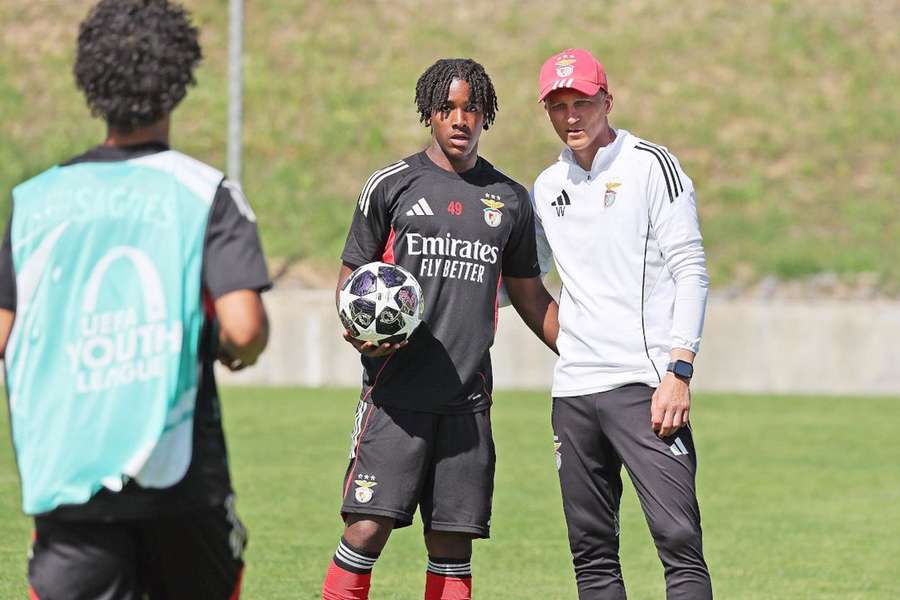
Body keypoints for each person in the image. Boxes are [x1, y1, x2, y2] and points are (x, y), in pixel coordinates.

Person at [0, 1, 271, 598]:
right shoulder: (204, 193)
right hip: (179, 480)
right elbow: (245, 327)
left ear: (90, 82)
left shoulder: (37, 202)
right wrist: (226, 348)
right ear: (179, 83)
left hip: (69, 473)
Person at [322, 58, 558, 600]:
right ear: (429, 112)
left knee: (453, 546)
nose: (460, 119)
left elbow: (529, 296)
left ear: (486, 115)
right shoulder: (391, 185)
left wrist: (586, 350)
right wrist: (358, 329)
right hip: (396, 395)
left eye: (471, 108)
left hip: (467, 400)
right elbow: (350, 284)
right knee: (365, 528)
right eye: (447, 108)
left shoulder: (509, 199)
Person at [531, 48, 713, 599]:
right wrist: (569, 342)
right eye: (558, 106)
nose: (572, 117)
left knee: (679, 542)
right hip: (575, 392)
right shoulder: (545, 188)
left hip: (647, 387)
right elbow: (525, 277)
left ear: (607, 101)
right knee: (591, 556)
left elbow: (691, 269)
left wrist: (679, 370)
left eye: (582, 102)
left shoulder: (651, 165)